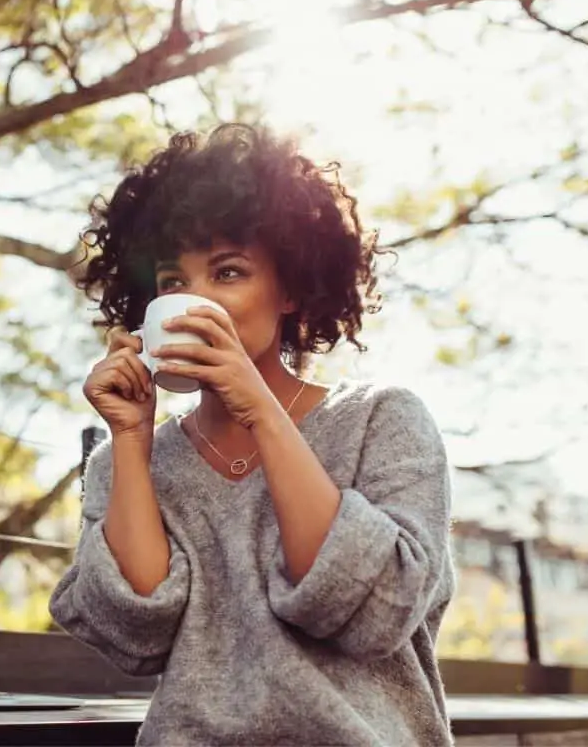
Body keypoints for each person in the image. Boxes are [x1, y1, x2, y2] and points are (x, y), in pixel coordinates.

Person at [48, 124, 455, 746]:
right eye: (172, 283)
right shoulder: (123, 460)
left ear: (291, 287)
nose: (195, 300)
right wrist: (132, 439)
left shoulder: (383, 420)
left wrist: (260, 409)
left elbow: (379, 612)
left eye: (228, 272)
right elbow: (134, 632)